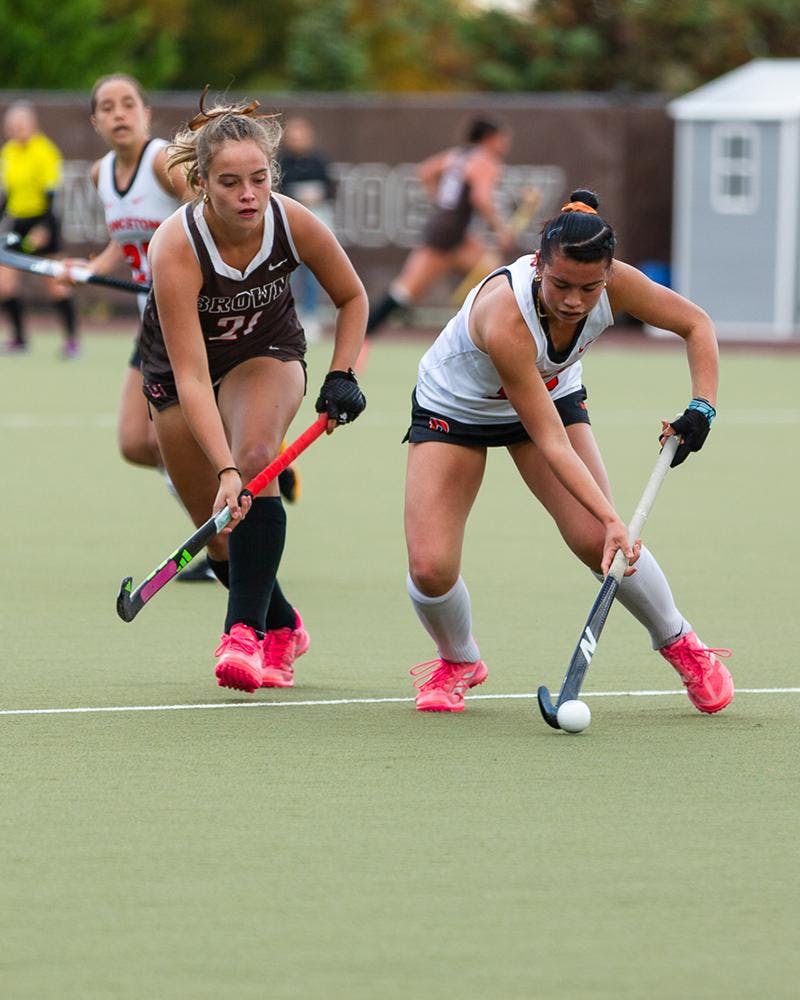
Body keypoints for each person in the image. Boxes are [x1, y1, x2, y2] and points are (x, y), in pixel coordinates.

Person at [403, 189, 733, 715]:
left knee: (594, 542)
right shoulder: (504, 320)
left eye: (590, 287)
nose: (575, 301)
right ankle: (458, 659)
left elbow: (697, 325)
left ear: (608, 274)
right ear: (537, 265)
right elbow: (551, 442)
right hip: (457, 410)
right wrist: (612, 517)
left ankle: (681, 642)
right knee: (430, 568)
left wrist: (703, 408)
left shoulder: (618, 284)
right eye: (560, 285)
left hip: (551, 392)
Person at [139, 90, 367, 692]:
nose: (248, 195)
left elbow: (353, 297)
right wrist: (222, 469)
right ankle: (283, 623)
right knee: (216, 533)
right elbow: (189, 375)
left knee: (257, 463)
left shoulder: (293, 222)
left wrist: (342, 374)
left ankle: (242, 635)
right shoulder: (177, 245)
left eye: (259, 179)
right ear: (201, 184)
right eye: (231, 182)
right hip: (175, 373)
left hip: (264, 354)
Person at [364, 117, 516, 342]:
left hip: (449, 230)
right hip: (446, 237)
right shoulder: (485, 161)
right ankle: (365, 330)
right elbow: (481, 198)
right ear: (489, 139)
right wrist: (501, 230)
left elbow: (425, 171)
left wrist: (442, 202)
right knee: (406, 290)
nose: (505, 145)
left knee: (496, 276)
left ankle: (493, 333)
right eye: (502, 139)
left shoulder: (458, 155)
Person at [0, 102, 79, 357]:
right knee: (5, 284)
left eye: (21, 124)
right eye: (11, 125)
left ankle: (71, 342)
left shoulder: (45, 152)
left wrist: (44, 228)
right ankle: (20, 340)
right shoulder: (9, 152)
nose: (16, 129)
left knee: (55, 284)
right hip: (18, 224)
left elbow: (51, 196)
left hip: (44, 221)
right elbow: (6, 195)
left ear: (32, 124)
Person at [277, 117, 336, 343]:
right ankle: (286, 317)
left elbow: (331, 189)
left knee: (312, 275)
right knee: (288, 273)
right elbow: (277, 190)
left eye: (301, 135)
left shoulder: (319, 161)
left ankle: (310, 317)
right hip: (288, 226)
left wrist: (317, 195)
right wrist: (295, 198)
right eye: (293, 135)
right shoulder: (282, 162)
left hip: (316, 223)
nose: (298, 139)